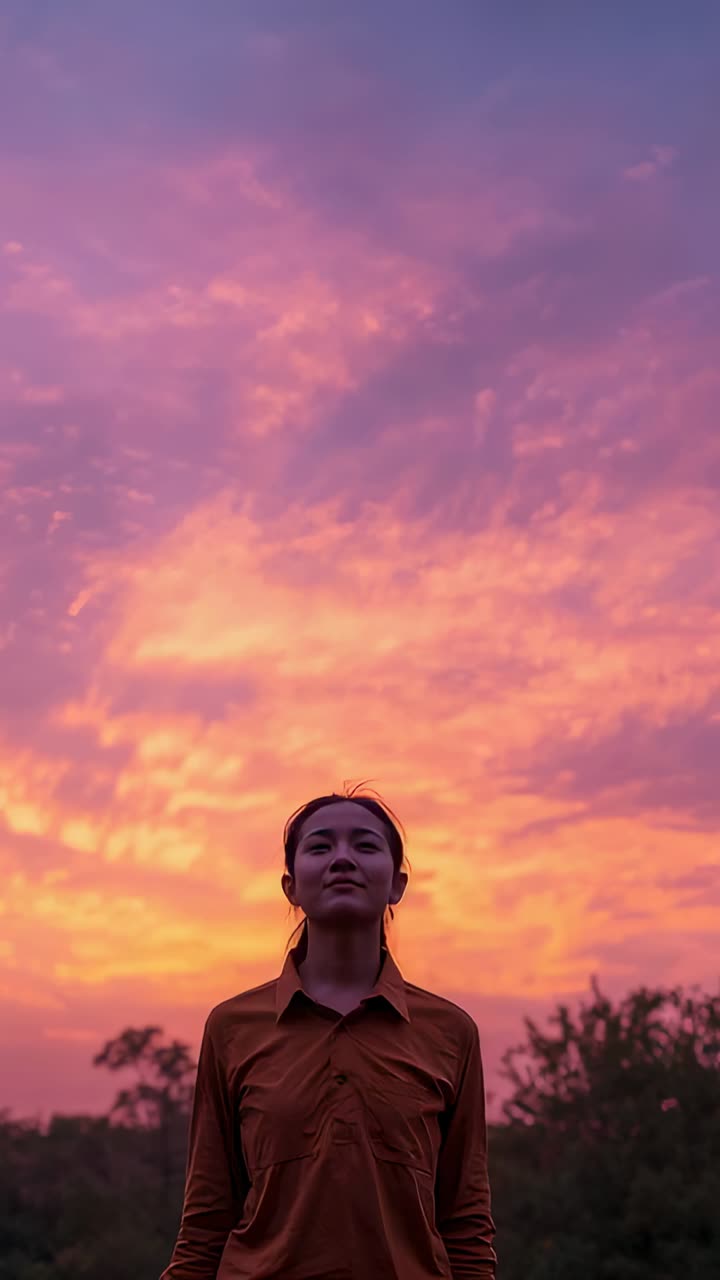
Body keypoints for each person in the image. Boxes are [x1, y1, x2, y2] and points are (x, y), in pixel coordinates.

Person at [160, 782, 497, 1279]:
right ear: (291, 887)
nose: (342, 859)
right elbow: (207, 1218)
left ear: (397, 885)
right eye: (320, 847)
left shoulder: (449, 1033)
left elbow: (465, 1222)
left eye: (365, 845)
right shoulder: (233, 1027)